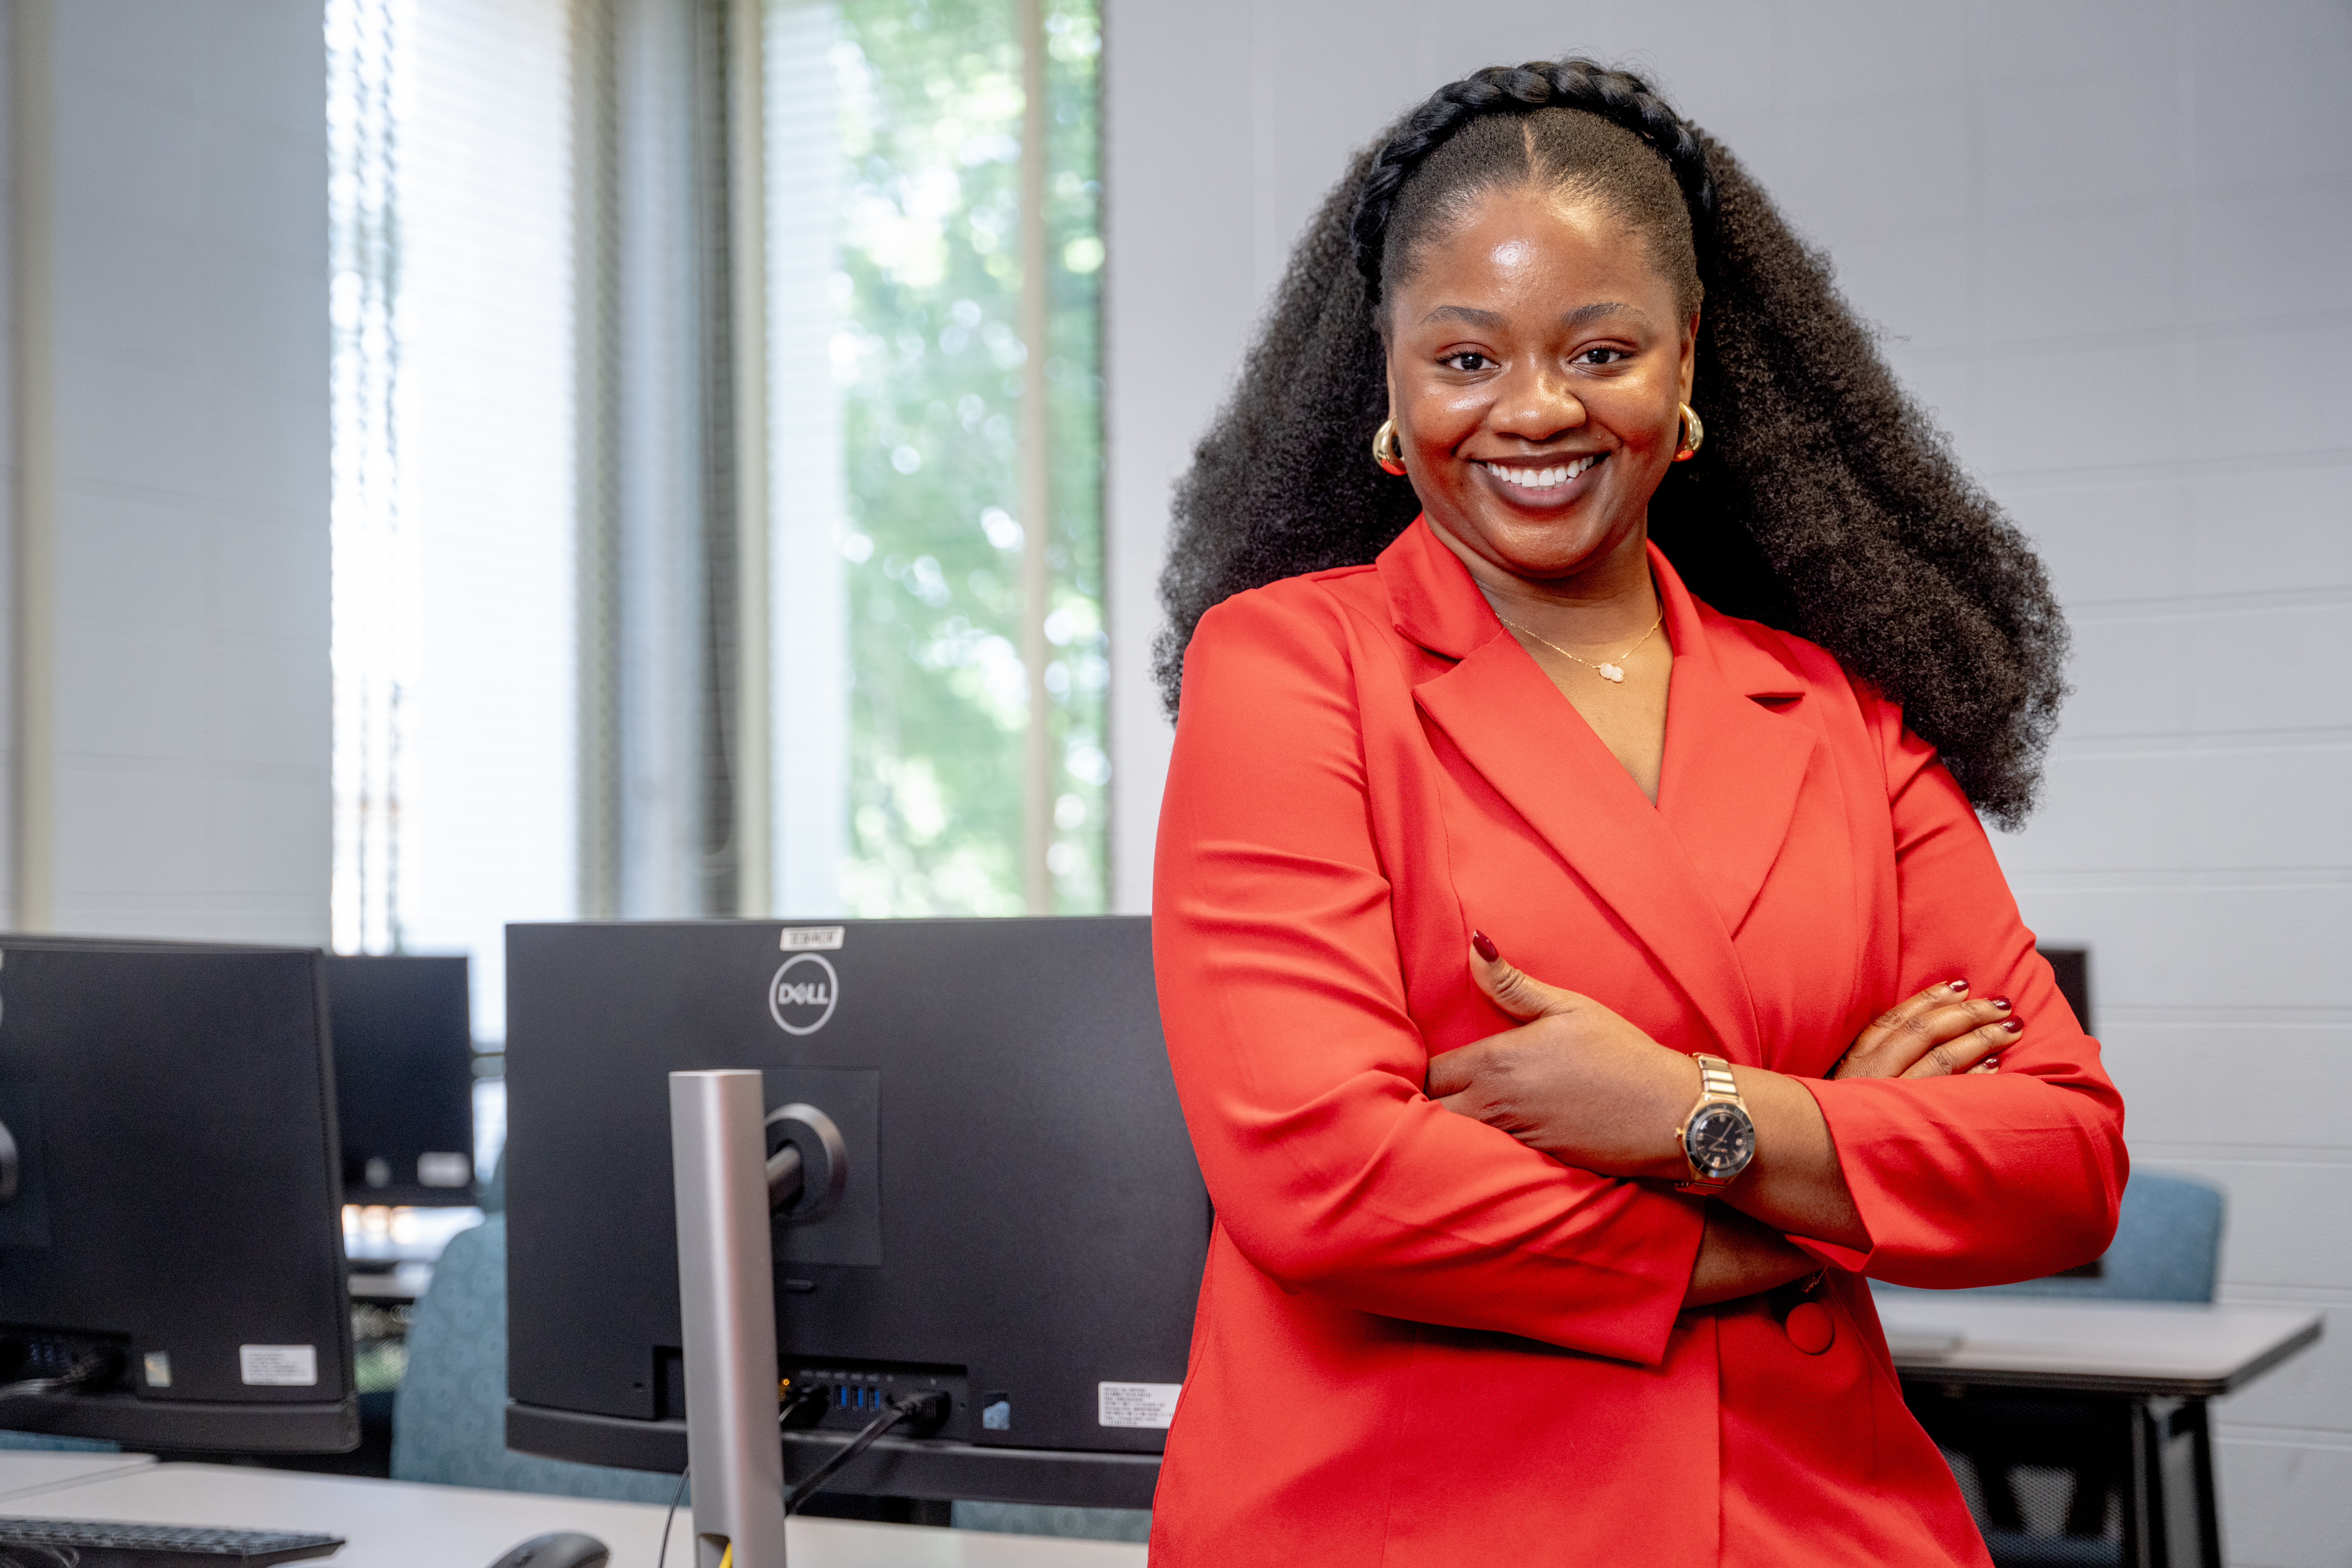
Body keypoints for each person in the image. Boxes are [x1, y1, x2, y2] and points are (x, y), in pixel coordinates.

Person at [1147, 59, 2126, 1566]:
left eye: (1599, 348)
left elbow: (2061, 1163)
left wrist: (1685, 1111)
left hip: (1815, 1518)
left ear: (1686, 373)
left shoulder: (1840, 715)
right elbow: (1328, 1176)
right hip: (1414, 1521)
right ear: (1389, 392)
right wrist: (1810, 1181)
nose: (1536, 409)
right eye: (1465, 359)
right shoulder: (1292, 668)